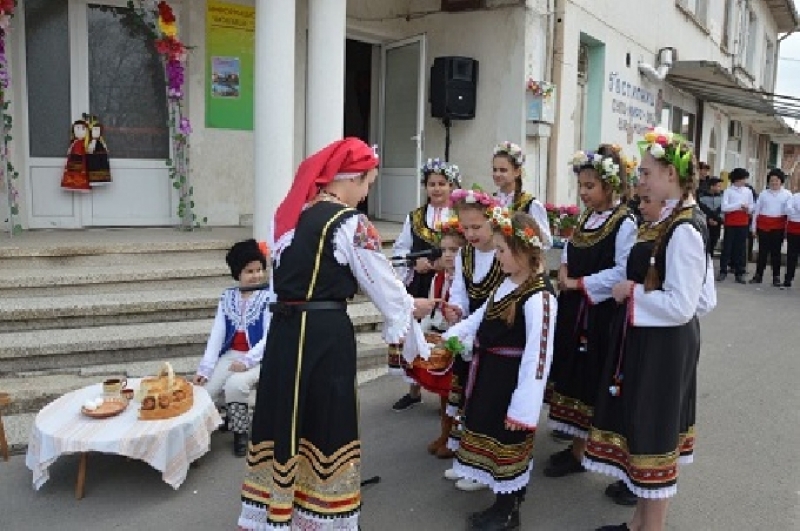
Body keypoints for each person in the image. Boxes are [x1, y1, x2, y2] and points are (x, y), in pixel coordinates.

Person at [237, 138, 431, 530]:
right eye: (368, 184)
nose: (366, 194)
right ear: (353, 179)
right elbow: (381, 282)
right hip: (323, 336)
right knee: (326, 418)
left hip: (287, 333)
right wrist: (411, 309)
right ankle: (322, 515)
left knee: (287, 418)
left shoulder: (298, 216)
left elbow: (286, 283)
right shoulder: (349, 222)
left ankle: (279, 509)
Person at [585, 128, 717, 531]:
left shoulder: (684, 229)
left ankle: (651, 529)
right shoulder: (674, 219)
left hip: (663, 346)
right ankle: (639, 523)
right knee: (645, 429)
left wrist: (633, 293)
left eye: (646, 173)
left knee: (655, 433)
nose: (640, 180)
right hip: (657, 339)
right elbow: (703, 298)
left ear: (670, 176)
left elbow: (686, 303)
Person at [442, 211, 556, 531]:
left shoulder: (539, 296)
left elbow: (539, 356)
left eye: (503, 250)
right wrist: (451, 337)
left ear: (522, 251)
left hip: (512, 386)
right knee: (492, 442)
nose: (498, 256)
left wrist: (524, 408)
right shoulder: (506, 284)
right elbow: (477, 320)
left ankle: (508, 511)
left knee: (509, 445)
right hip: (490, 379)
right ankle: (501, 503)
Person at [544, 146, 637, 492]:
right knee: (572, 374)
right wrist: (565, 271)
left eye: (590, 186)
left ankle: (585, 451)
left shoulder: (623, 221)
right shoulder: (586, 217)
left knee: (591, 376)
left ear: (610, 186)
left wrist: (579, 283)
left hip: (598, 314)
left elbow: (622, 270)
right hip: (574, 308)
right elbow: (570, 250)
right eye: (581, 186)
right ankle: (576, 446)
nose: (583, 193)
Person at [441, 187, 505, 491]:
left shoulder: (503, 254)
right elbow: (460, 292)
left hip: (493, 337)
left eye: (476, 227)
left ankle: (484, 467)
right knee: (467, 401)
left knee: (485, 403)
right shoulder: (466, 254)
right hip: (469, 336)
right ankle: (466, 460)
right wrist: (455, 312)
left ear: (492, 220)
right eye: (465, 227)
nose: (470, 233)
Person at [390, 157, 460, 412]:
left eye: (442, 183)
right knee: (416, 334)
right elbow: (400, 249)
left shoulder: (458, 216)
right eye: (432, 184)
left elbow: (468, 248)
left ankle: (448, 392)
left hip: (450, 284)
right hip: (420, 286)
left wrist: (447, 264)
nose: (437, 188)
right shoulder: (416, 217)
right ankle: (414, 389)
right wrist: (413, 264)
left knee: (446, 335)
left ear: (452, 186)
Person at [193, 239, 269, 457]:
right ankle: (208, 430)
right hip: (232, 354)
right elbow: (217, 335)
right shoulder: (228, 297)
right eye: (249, 271)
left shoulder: (268, 296)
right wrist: (204, 369)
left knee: (235, 385)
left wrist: (247, 361)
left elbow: (270, 336)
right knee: (205, 391)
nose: (256, 275)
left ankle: (240, 432)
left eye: (259, 270)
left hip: (262, 357)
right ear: (238, 273)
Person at [404, 217, 466, 458]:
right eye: (445, 250)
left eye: (455, 250)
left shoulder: (467, 281)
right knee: (444, 395)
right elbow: (432, 308)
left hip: (458, 341)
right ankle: (445, 433)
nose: (449, 255)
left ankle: (458, 438)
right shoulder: (438, 278)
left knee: (457, 394)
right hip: (441, 339)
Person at [491, 141, 553, 249]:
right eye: (495, 170)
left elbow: (546, 242)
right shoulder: (489, 201)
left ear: (517, 172)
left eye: (503, 170)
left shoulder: (530, 204)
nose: (497, 174)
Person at [749, 168, 791, 286]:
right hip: (763, 226)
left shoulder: (787, 195)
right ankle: (758, 275)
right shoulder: (763, 194)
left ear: (781, 181)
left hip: (778, 227)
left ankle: (776, 277)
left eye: (776, 180)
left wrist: (787, 230)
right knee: (762, 252)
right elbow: (756, 211)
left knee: (776, 253)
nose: (774, 183)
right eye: (771, 180)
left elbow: (789, 213)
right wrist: (753, 228)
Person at [718, 168, 754, 283]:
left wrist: (748, 208)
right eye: (743, 178)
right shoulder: (728, 191)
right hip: (731, 222)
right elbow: (724, 208)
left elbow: (752, 207)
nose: (744, 181)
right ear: (736, 179)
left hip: (743, 222)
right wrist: (739, 205)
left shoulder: (747, 191)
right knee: (727, 247)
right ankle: (723, 270)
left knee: (741, 248)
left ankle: (740, 272)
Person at [698, 177, 724, 256]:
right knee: (704, 243)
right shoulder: (702, 197)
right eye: (718, 186)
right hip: (705, 224)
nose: (720, 188)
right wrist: (708, 219)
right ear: (712, 187)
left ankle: (710, 259)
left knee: (714, 241)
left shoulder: (722, 197)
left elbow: (722, 210)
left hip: (717, 224)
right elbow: (701, 210)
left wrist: (718, 220)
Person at [785, 186, 800, 289]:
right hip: (794, 229)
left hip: (795, 223)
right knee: (791, 255)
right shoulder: (794, 197)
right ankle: (788, 278)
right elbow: (788, 210)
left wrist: (796, 212)